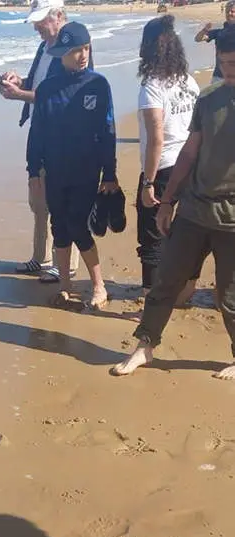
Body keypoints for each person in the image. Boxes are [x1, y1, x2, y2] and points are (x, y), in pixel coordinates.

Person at [112, 28, 235, 379]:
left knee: (229, 297)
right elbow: (188, 152)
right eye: (224, 63)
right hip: (195, 210)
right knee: (166, 279)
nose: (229, 71)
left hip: (231, 221)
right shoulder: (209, 98)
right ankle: (145, 347)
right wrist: (167, 202)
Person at [26, 21, 117, 310]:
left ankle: (99, 286)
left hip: (87, 171)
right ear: (62, 54)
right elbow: (37, 130)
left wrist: (110, 173)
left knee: (79, 226)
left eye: (86, 48)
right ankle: (65, 286)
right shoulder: (48, 89)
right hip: (55, 170)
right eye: (76, 50)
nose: (83, 55)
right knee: (60, 228)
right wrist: (32, 170)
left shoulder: (98, 85)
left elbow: (108, 131)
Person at [0, 0, 89, 285]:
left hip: (63, 137)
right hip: (41, 131)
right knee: (38, 200)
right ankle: (42, 257)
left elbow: (64, 94)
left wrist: (20, 95)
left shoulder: (73, 47)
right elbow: (41, 84)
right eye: (35, 21)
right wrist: (19, 81)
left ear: (59, 16)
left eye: (41, 21)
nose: (36, 27)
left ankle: (67, 265)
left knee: (61, 202)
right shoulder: (45, 46)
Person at [135, 15, 206, 317]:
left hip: (164, 168)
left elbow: (156, 140)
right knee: (190, 232)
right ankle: (186, 289)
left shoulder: (152, 86)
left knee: (151, 233)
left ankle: (152, 297)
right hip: (193, 164)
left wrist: (148, 182)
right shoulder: (188, 81)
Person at [194, 0, 235, 85]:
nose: (229, 14)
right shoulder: (218, 33)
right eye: (227, 11)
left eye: (233, 11)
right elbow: (197, 39)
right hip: (219, 76)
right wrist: (205, 30)